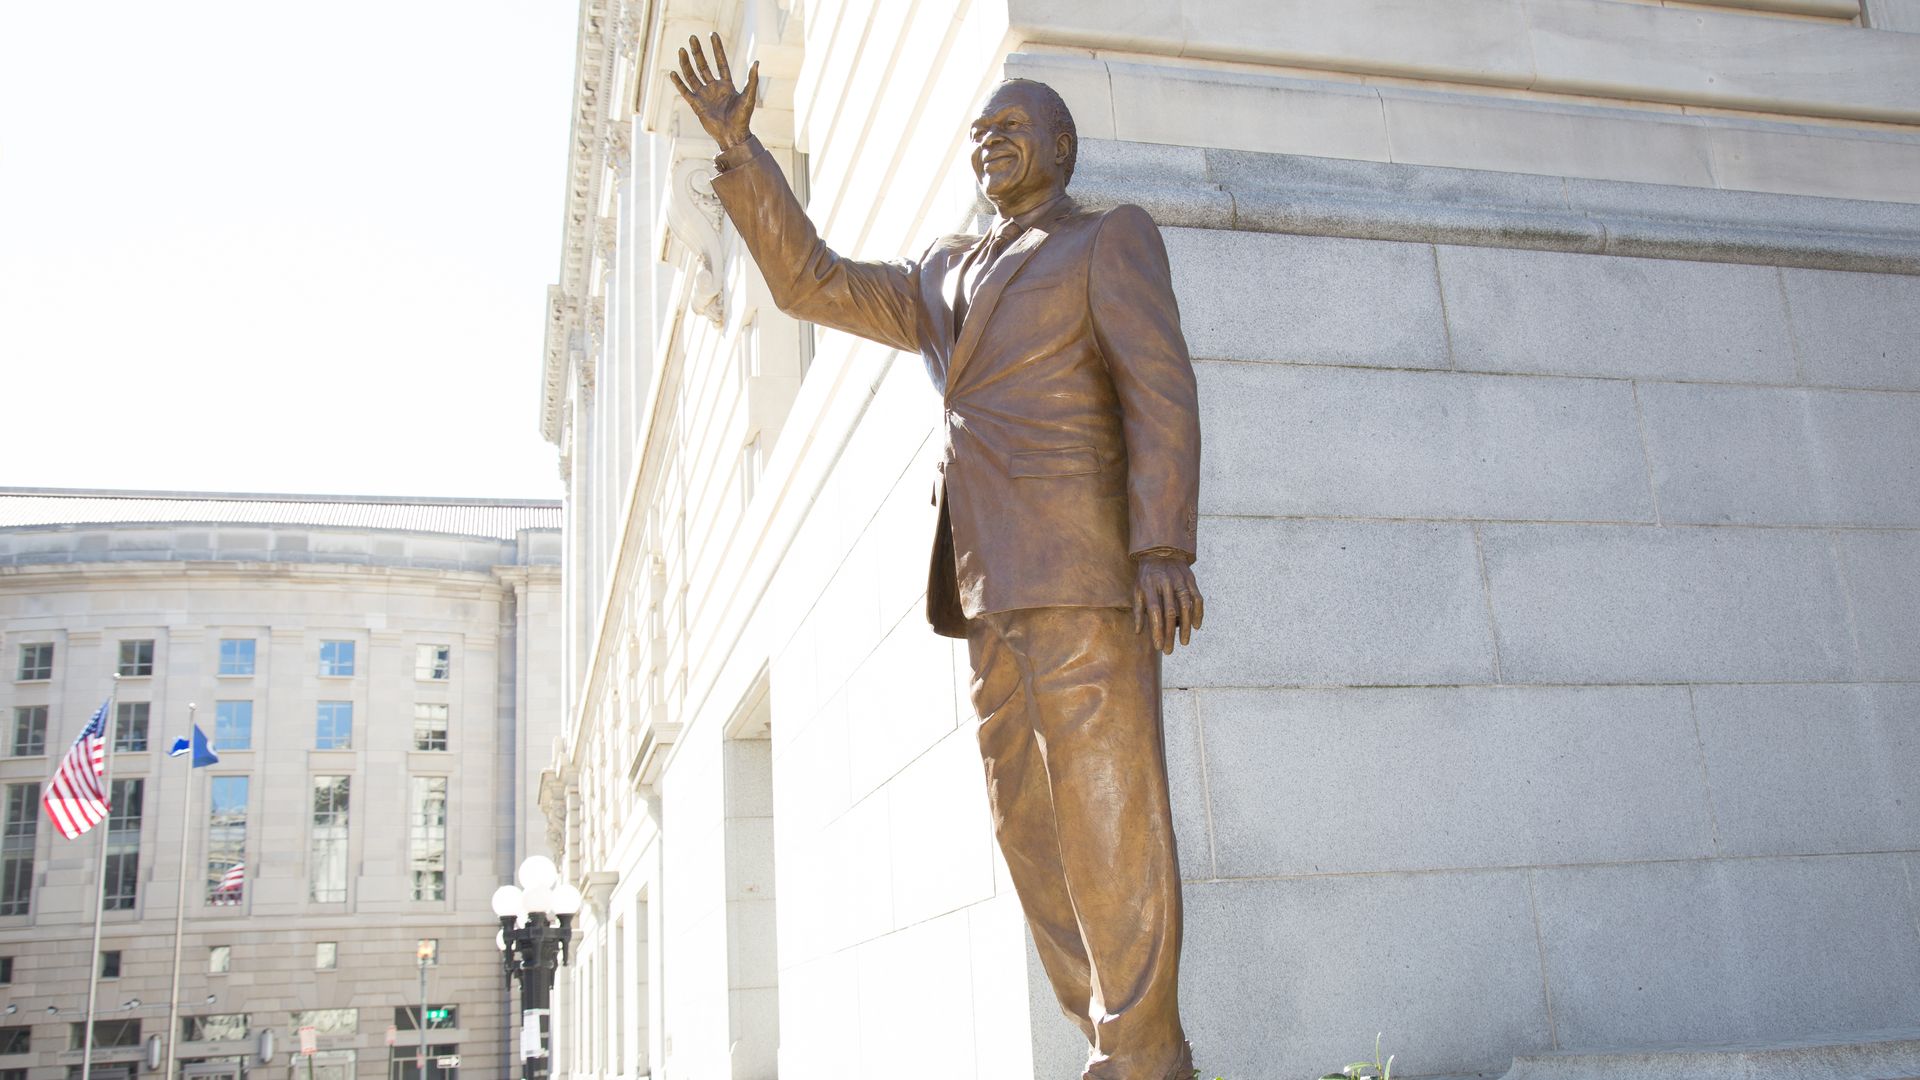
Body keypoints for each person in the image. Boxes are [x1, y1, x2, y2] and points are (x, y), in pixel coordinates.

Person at [672, 34, 1205, 1080]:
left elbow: (1163, 390)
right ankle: (1105, 1029)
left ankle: (1148, 1055)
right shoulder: (943, 273)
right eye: (979, 136)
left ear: (1062, 144)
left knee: (1110, 808)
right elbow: (812, 284)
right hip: (982, 586)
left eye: (1009, 131)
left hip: (1086, 567)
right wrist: (745, 158)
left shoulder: (1107, 240)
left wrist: (1163, 545)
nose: (988, 146)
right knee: (1026, 822)